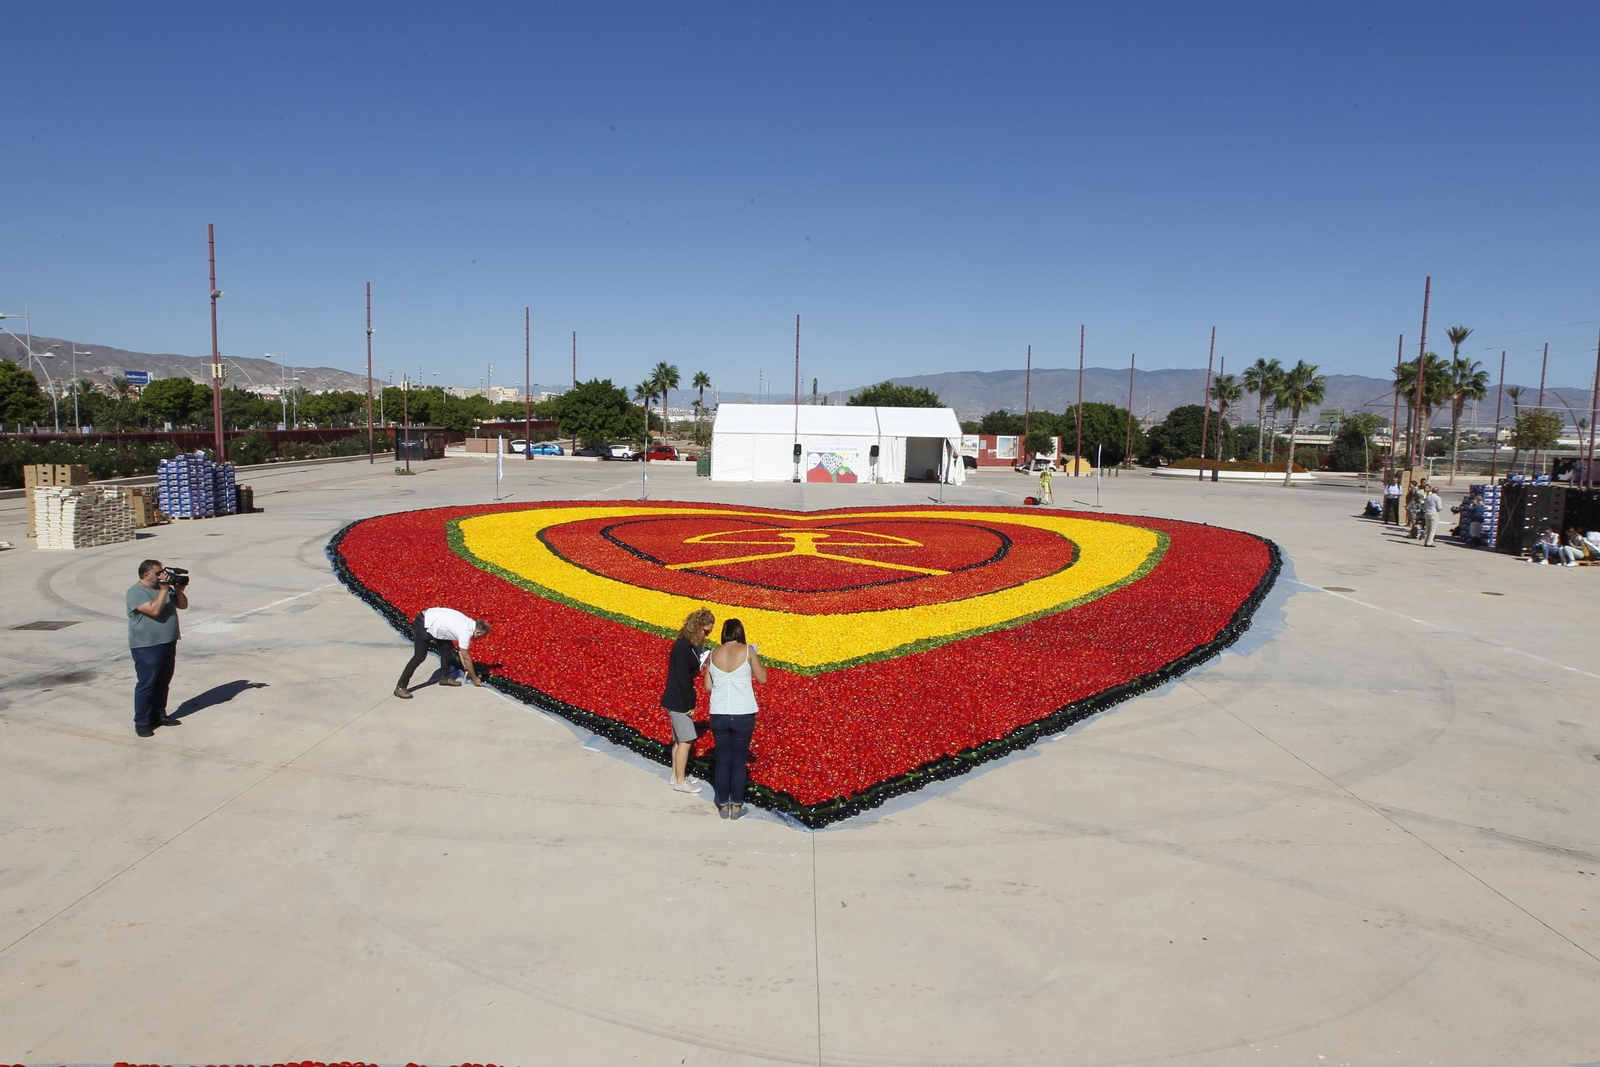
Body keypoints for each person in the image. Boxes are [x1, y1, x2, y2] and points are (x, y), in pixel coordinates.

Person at [704, 617, 767, 820]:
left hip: (719, 712)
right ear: (740, 633)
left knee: (722, 759)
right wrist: (756, 658)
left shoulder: (714, 654)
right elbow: (762, 679)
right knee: (739, 760)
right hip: (742, 712)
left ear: (724, 633)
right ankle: (737, 807)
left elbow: (707, 687)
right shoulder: (748, 651)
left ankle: (723, 805)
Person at [127, 559, 189, 738]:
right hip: (146, 646)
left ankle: (159, 714)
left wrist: (178, 591)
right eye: (158, 572)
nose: (163, 575)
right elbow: (154, 611)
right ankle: (142, 721)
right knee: (147, 684)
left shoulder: (165, 589)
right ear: (146, 574)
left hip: (168, 642)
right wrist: (163, 589)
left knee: (163, 681)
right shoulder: (135, 592)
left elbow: (183, 605)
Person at [660, 607, 715, 794]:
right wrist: (690, 704)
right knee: (687, 739)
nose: (707, 634)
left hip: (675, 697)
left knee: (677, 740)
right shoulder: (683, 646)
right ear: (697, 626)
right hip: (678, 698)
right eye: (706, 631)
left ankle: (675, 776)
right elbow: (683, 677)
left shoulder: (687, 644)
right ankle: (681, 781)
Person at [394, 607, 490, 697]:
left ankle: (445, 678)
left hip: (435, 624)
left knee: (447, 648)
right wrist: (474, 678)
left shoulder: (468, 623)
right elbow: (466, 657)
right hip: (424, 624)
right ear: (478, 632)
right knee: (419, 656)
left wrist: (466, 669)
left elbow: (461, 651)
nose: (478, 639)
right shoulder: (465, 631)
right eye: (480, 637)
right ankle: (400, 687)